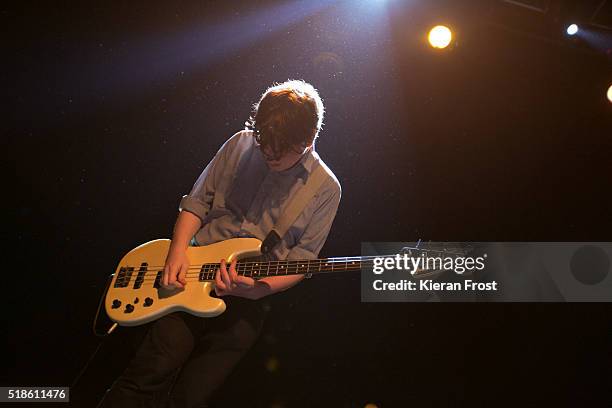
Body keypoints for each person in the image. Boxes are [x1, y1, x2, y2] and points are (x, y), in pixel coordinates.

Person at [98, 79, 341, 407]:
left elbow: (304, 259)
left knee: (190, 398)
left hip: (249, 299)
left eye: (279, 150)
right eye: (263, 143)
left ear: (308, 140)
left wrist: (256, 289)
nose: (268, 153)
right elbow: (197, 203)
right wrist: (177, 252)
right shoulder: (240, 145)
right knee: (147, 375)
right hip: (190, 273)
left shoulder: (325, 189)